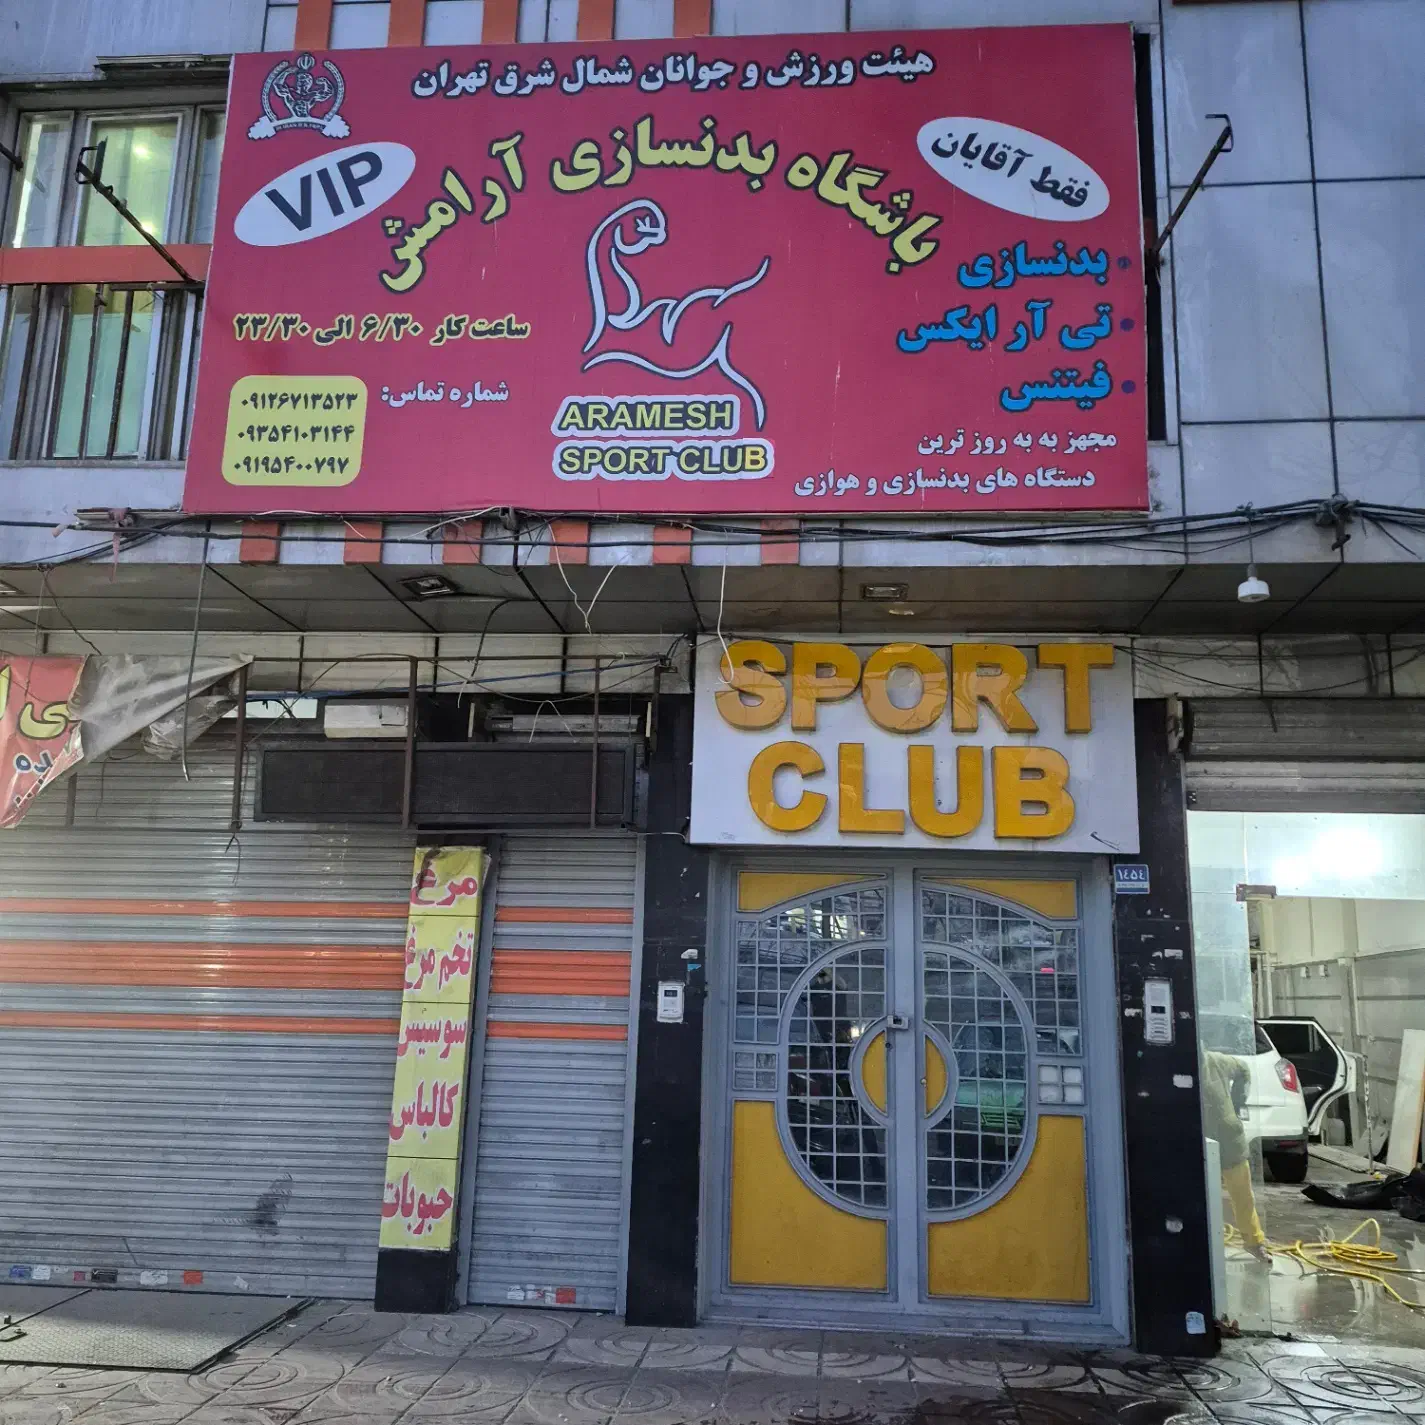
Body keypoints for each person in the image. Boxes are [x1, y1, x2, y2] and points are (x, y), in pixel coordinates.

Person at [1202, 1049, 1271, 1262]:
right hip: (1203, 1141)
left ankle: (1254, 1242)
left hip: (1229, 1140)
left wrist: (1237, 1101)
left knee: (1242, 1196)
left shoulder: (1216, 1061)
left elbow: (1243, 1069)